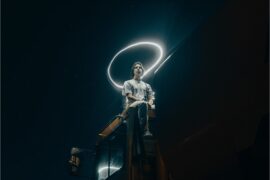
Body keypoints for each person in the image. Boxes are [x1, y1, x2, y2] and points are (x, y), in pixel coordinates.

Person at [122, 61, 155, 136]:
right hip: (131, 106)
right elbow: (129, 96)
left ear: (142, 71)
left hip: (143, 105)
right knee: (143, 103)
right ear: (133, 71)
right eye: (136, 67)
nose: (138, 69)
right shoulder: (127, 82)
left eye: (140, 68)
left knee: (151, 107)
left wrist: (150, 102)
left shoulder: (147, 85)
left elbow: (151, 97)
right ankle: (145, 130)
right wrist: (141, 101)